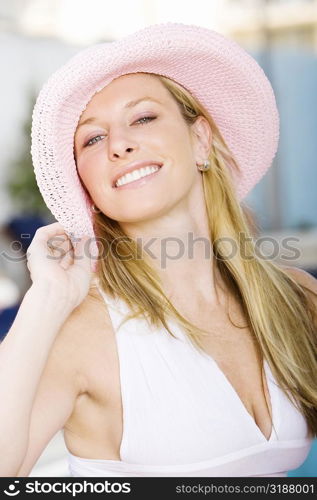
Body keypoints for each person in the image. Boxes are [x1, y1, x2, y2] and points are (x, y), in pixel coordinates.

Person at [1, 23, 316, 478]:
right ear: (86, 184)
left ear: (201, 140)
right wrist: (45, 300)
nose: (120, 144)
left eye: (143, 117)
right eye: (92, 138)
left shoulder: (297, 299)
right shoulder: (82, 331)